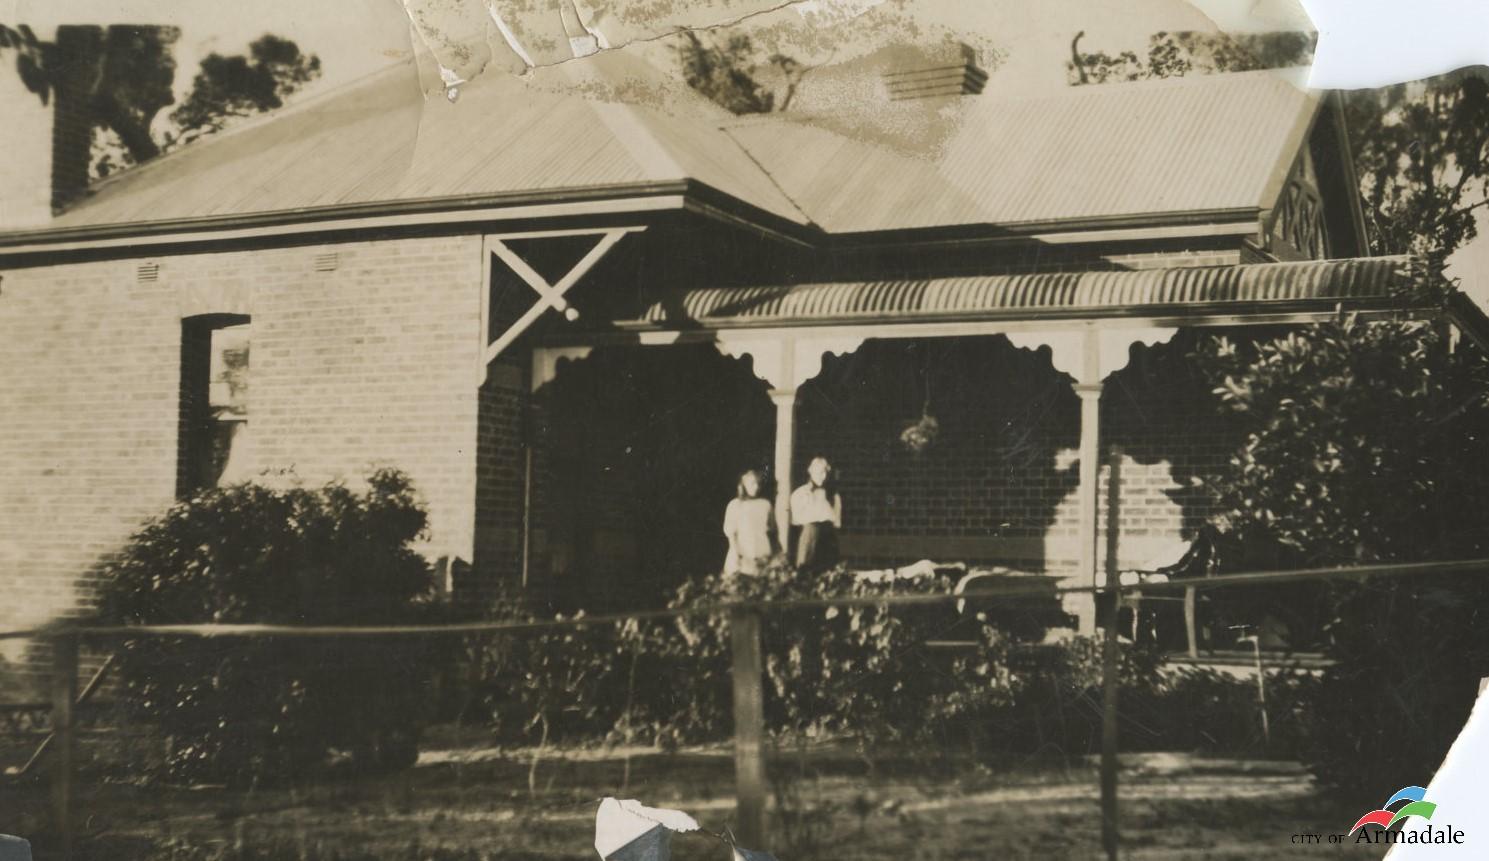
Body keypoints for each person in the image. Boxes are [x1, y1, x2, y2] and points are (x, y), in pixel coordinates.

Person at [790, 456, 842, 575]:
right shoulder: (801, 494)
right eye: (818, 472)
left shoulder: (833, 496)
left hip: (828, 536)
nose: (822, 476)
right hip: (809, 536)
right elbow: (796, 521)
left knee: (828, 573)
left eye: (824, 472)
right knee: (806, 572)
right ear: (810, 471)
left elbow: (836, 521)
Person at [722, 469, 776, 576]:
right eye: (752, 483)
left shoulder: (766, 504)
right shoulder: (735, 505)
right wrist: (736, 553)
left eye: (758, 483)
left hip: (762, 550)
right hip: (742, 551)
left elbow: (772, 528)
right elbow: (731, 533)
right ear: (743, 485)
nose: (756, 487)